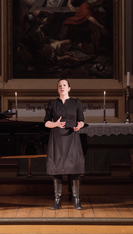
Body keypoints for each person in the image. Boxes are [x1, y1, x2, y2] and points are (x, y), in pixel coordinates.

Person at [44, 79, 85, 210]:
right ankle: (57, 200)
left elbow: (82, 120)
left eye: (64, 85)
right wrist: (55, 124)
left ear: (69, 88)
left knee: (74, 168)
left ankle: (77, 200)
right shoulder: (53, 103)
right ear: (57, 89)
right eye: (60, 86)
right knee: (57, 168)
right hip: (57, 139)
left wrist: (79, 126)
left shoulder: (76, 102)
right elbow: (46, 123)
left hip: (72, 137)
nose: (62, 87)